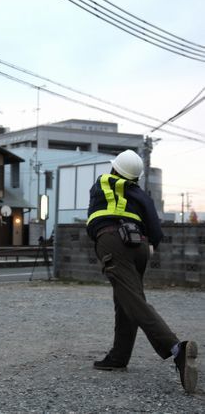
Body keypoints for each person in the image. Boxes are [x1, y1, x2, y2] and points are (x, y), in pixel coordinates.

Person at [86, 149, 198, 393]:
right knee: (126, 299)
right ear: (136, 177)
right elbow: (156, 229)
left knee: (132, 300)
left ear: (114, 169)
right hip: (140, 244)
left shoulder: (101, 185)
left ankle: (176, 349)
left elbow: (94, 220)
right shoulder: (140, 194)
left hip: (112, 241)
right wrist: (150, 244)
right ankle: (119, 357)